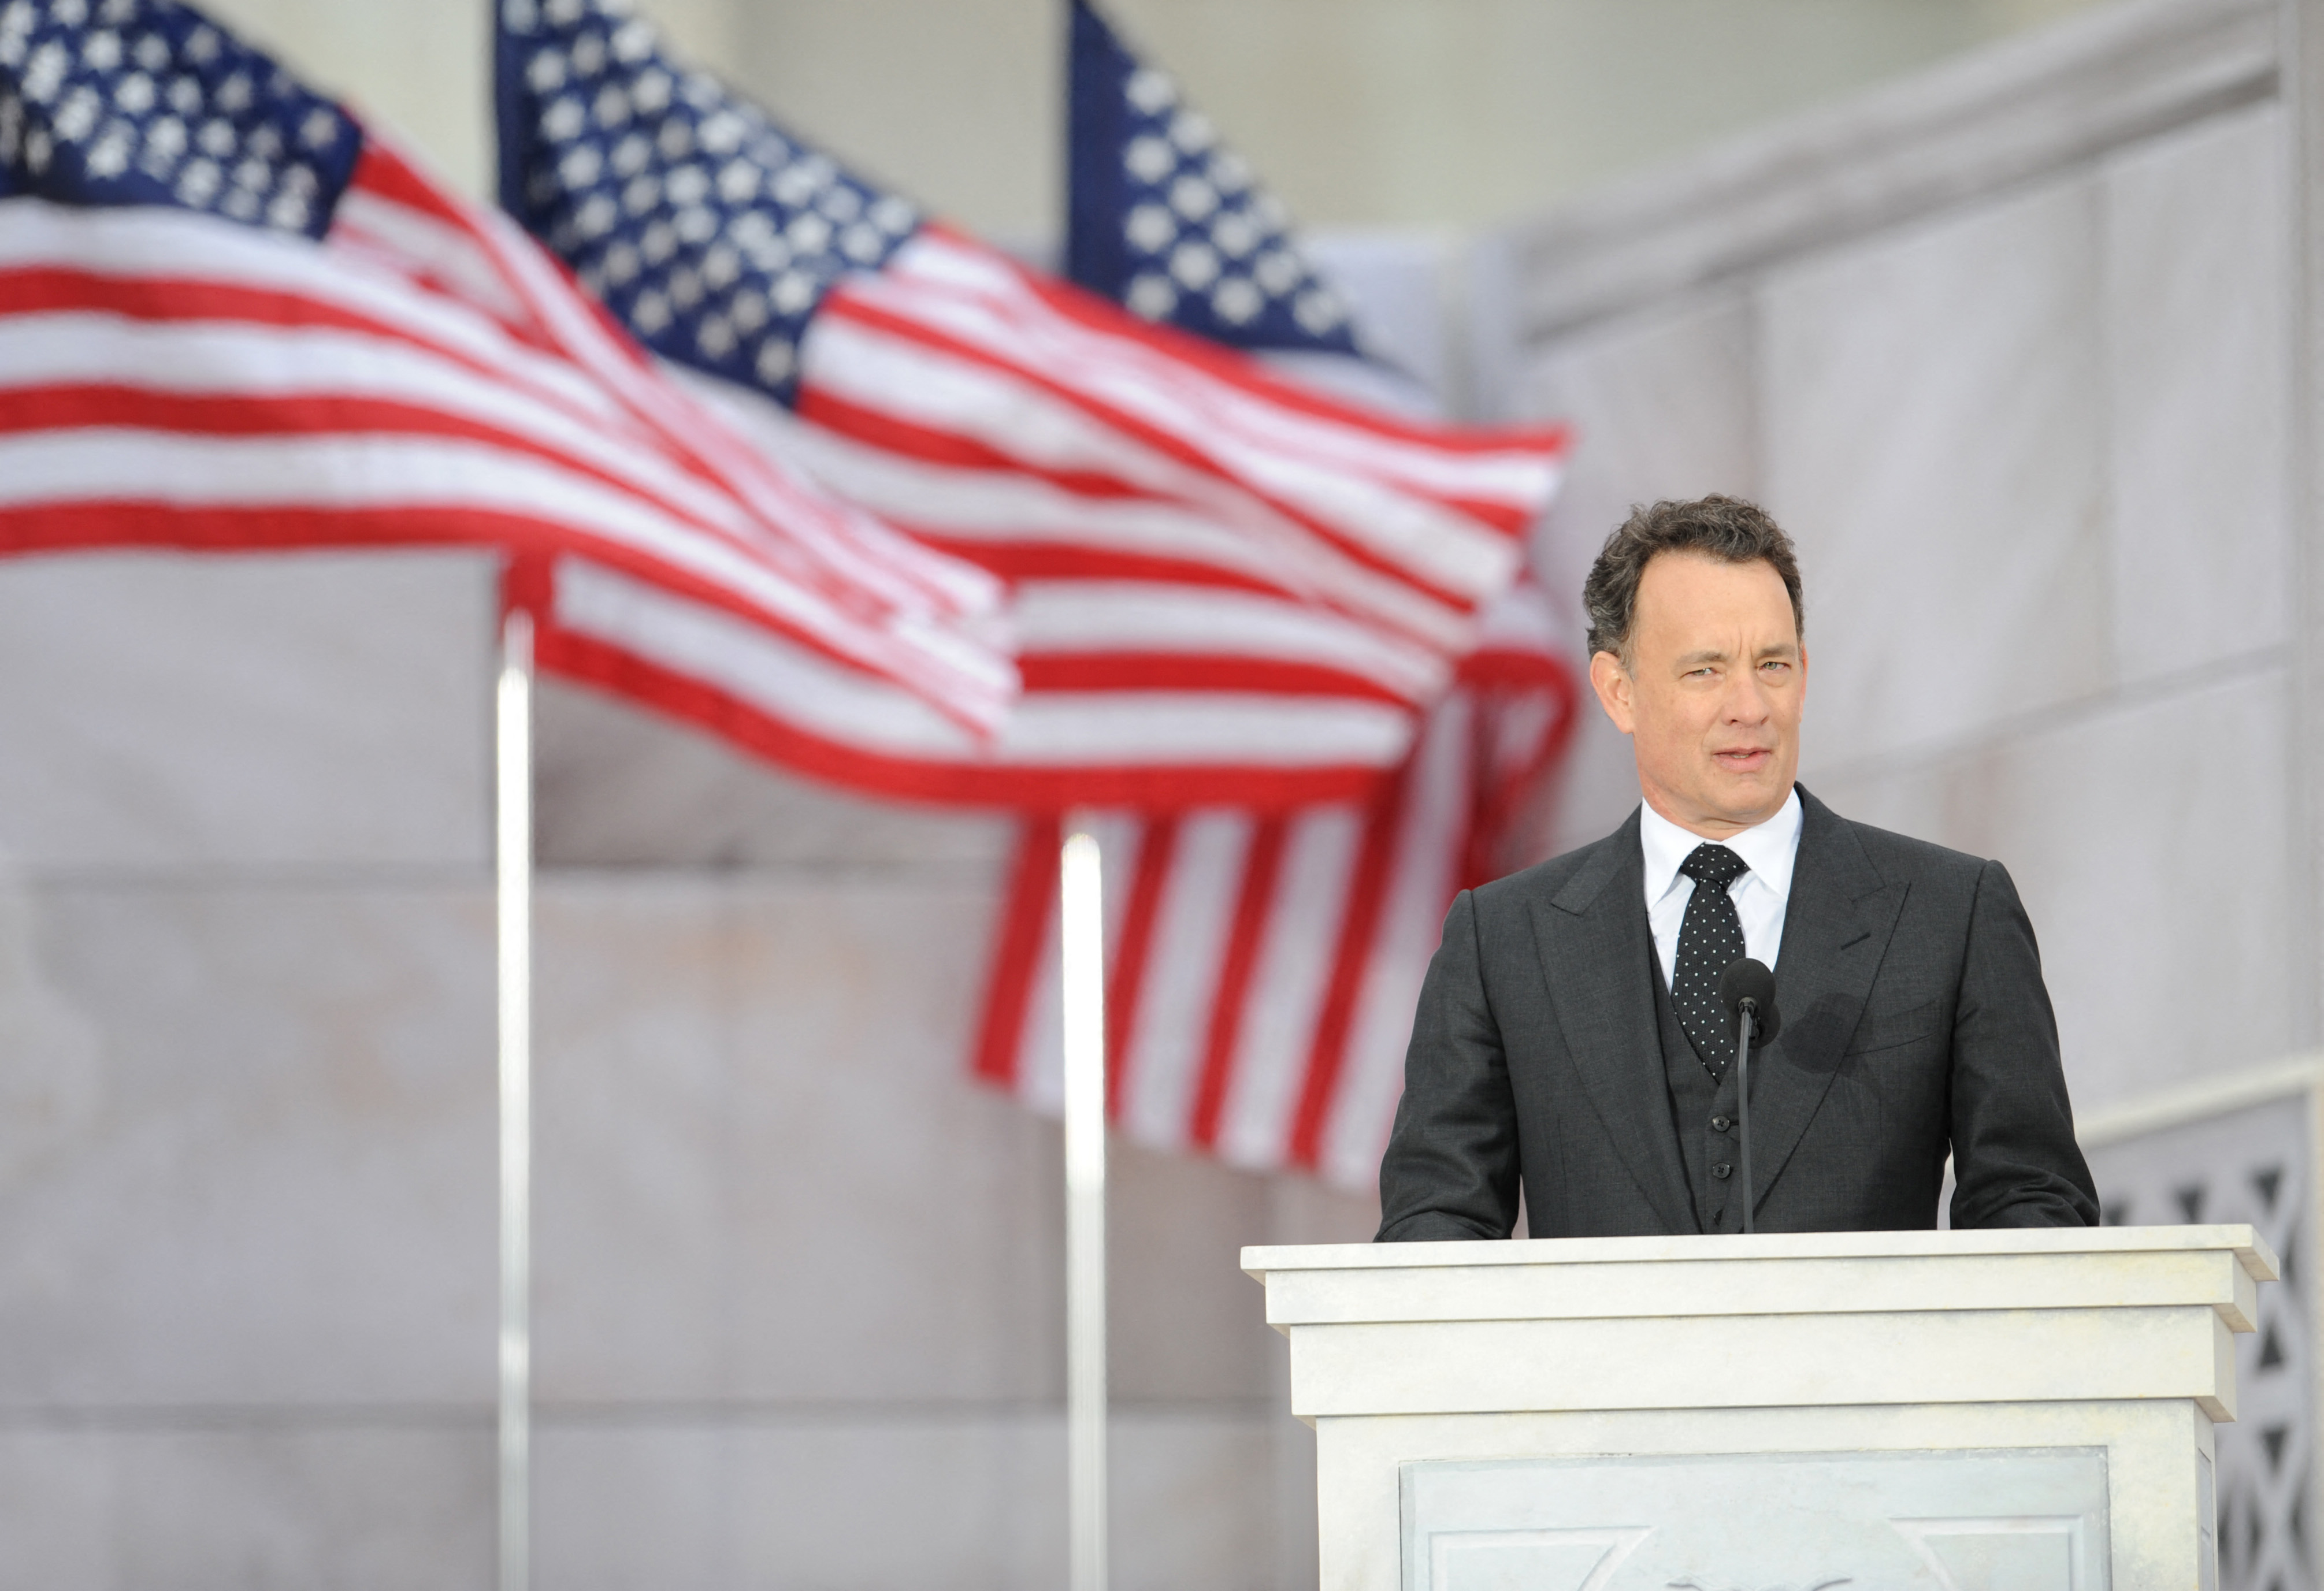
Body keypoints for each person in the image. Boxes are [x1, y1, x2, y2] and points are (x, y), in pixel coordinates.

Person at [1376, 495, 2097, 1240]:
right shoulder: (1503, 943)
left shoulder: (1954, 913)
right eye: (1706, 671)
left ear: (1805, 675)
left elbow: (2035, 1204)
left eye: (1772, 664)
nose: (1749, 706)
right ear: (1619, 691)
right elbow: (1435, 1231)